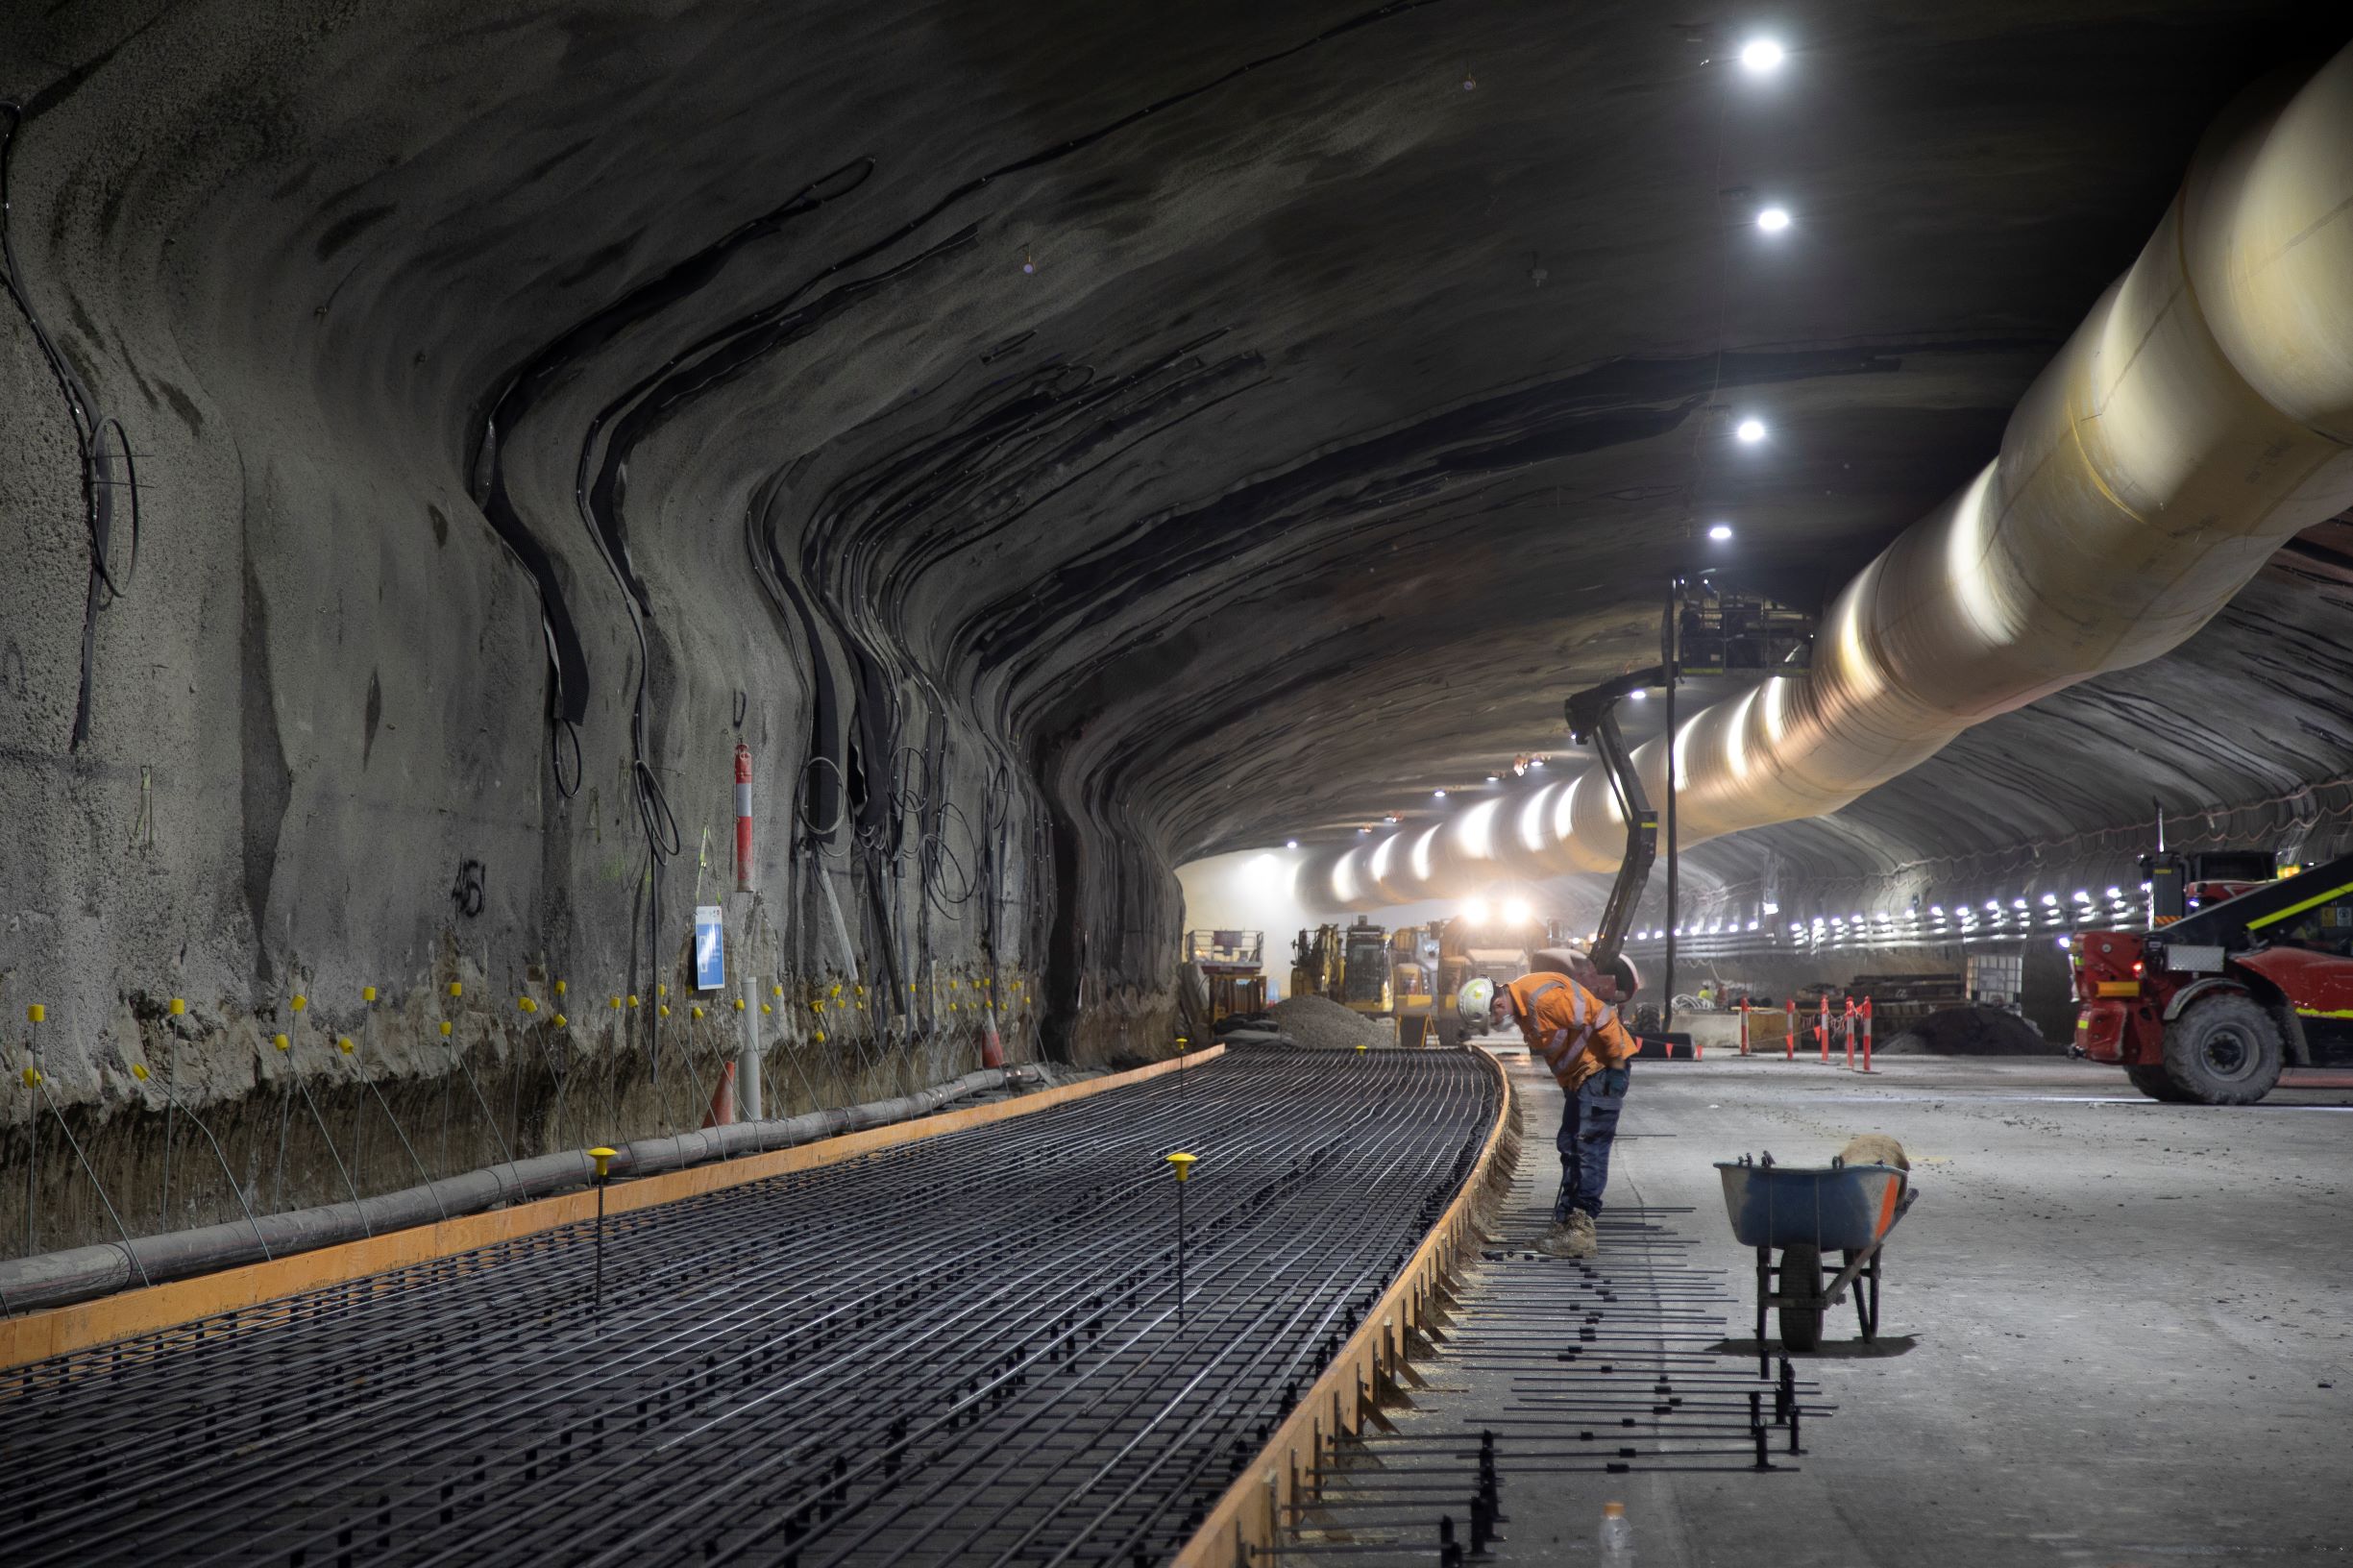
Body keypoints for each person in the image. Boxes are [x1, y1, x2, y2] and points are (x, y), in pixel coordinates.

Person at [1460, 957, 1640, 1258]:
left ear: (1496, 1005)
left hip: (1602, 1071)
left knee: (1588, 1146)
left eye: (1491, 1020)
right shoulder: (1524, 1007)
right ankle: (1566, 1224)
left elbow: (1603, 1016)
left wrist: (1618, 1064)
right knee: (1570, 1145)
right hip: (1583, 1077)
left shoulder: (1541, 1001)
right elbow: (1565, 1047)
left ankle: (1581, 1230)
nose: (1495, 1026)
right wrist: (1570, 1086)